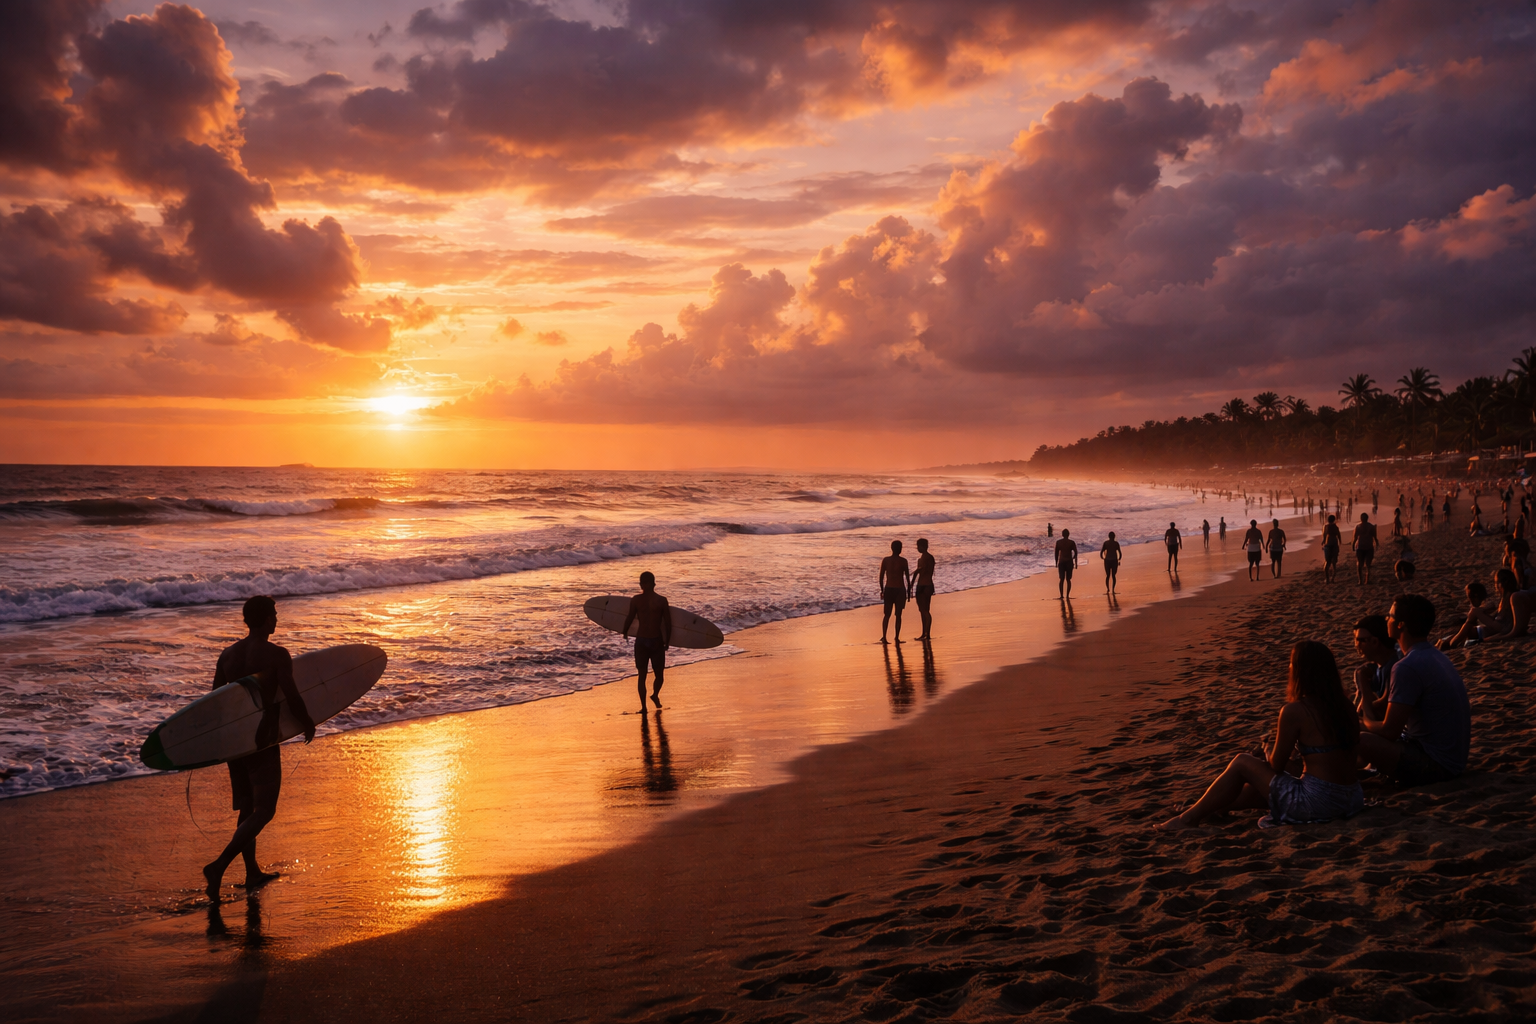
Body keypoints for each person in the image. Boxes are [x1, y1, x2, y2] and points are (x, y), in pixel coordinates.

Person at [1158, 641, 1363, 829]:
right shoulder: (1346, 706)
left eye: (1291, 664)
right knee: (1259, 789)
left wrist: (1267, 751)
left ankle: (1188, 819)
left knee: (1241, 762)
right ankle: (1204, 808)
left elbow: (1276, 766)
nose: (1289, 669)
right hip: (1351, 799)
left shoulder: (1295, 711)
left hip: (1320, 803)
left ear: (1301, 672)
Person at [203, 596, 315, 903]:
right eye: (274, 615)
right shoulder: (277, 654)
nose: (277, 620)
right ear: (265, 619)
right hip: (262, 738)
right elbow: (291, 695)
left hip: (236, 742)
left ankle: (251, 871)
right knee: (264, 810)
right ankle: (218, 866)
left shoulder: (227, 656)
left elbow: (215, 702)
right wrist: (307, 722)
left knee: (247, 809)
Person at [1357, 594, 1470, 786]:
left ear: (1401, 624)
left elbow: (1389, 730)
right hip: (1452, 759)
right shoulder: (1434, 655)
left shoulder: (1406, 666)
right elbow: (1385, 708)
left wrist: (1363, 716)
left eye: (1390, 616)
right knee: (1353, 728)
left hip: (1437, 765)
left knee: (1358, 738)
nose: (1386, 619)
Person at [622, 571, 672, 710]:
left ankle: (654, 695)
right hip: (646, 641)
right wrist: (625, 631)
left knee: (658, 676)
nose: (642, 585)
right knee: (642, 675)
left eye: (644, 582)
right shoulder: (641, 600)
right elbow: (631, 617)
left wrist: (667, 641)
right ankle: (644, 707)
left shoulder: (658, 600)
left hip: (651, 641)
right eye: (641, 582)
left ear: (651, 583)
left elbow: (668, 623)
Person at [1351, 614, 1399, 721]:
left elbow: (1377, 714)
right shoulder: (1377, 667)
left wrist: (1363, 683)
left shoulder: (1394, 668)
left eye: (1360, 640)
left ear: (1375, 642)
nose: (1356, 645)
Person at [877, 540, 911, 644]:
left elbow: (881, 577)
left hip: (889, 589)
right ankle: (896, 637)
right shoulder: (903, 561)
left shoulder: (886, 560)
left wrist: (882, 590)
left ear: (891, 548)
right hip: (900, 590)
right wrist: (909, 593)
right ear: (900, 549)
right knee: (898, 615)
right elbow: (907, 578)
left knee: (887, 614)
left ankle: (884, 637)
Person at [911, 538, 936, 641]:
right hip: (929, 585)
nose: (917, 548)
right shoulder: (931, 557)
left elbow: (920, 572)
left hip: (922, 585)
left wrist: (911, 584)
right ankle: (926, 633)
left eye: (918, 546)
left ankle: (925, 634)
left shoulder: (923, 559)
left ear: (922, 546)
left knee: (924, 611)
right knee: (925, 610)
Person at [1352, 512, 1378, 584]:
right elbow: (1375, 537)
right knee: (1368, 565)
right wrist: (1377, 544)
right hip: (1369, 546)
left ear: (1361, 519)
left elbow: (1355, 538)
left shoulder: (1358, 527)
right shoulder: (1371, 526)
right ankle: (1367, 580)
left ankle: (1360, 581)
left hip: (1360, 547)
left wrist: (1353, 545)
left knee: (1359, 564)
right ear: (1367, 518)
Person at [1054, 528, 1078, 599]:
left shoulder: (1058, 542)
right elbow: (1076, 553)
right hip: (1069, 562)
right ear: (1068, 534)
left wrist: (1056, 562)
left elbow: (1056, 553)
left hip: (1061, 562)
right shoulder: (1071, 542)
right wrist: (1075, 562)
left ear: (1062, 534)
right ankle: (1067, 595)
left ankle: (1061, 595)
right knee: (1068, 579)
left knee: (1061, 579)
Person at [1321, 514, 1342, 583]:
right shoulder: (1336, 527)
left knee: (1327, 562)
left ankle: (1327, 579)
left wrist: (1323, 543)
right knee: (1334, 563)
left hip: (1328, 545)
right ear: (1334, 520)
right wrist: (1340, 542)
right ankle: (1332, 578)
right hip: (1335, 545)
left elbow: (1324, 536)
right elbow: (1338, 535)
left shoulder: (1326, 526)